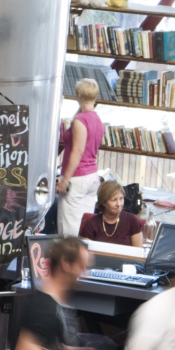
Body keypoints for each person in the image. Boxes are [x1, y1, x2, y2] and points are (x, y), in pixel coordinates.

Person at [57, 82, 106, 236]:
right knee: (84, 228)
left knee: (68, 232)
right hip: (92, 178)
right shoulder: (98, 120)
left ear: (78, 95)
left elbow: (78, 151)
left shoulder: (80, 120)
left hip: (77, 178)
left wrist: (65, 178)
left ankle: (67, 259)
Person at [81, 177, 146, 248]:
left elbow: (138, 252)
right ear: (103, 202)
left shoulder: (132, 220)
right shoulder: (91, 223)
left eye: (121, 199)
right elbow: (84, 252)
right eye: (114, 200)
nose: (119, 204)